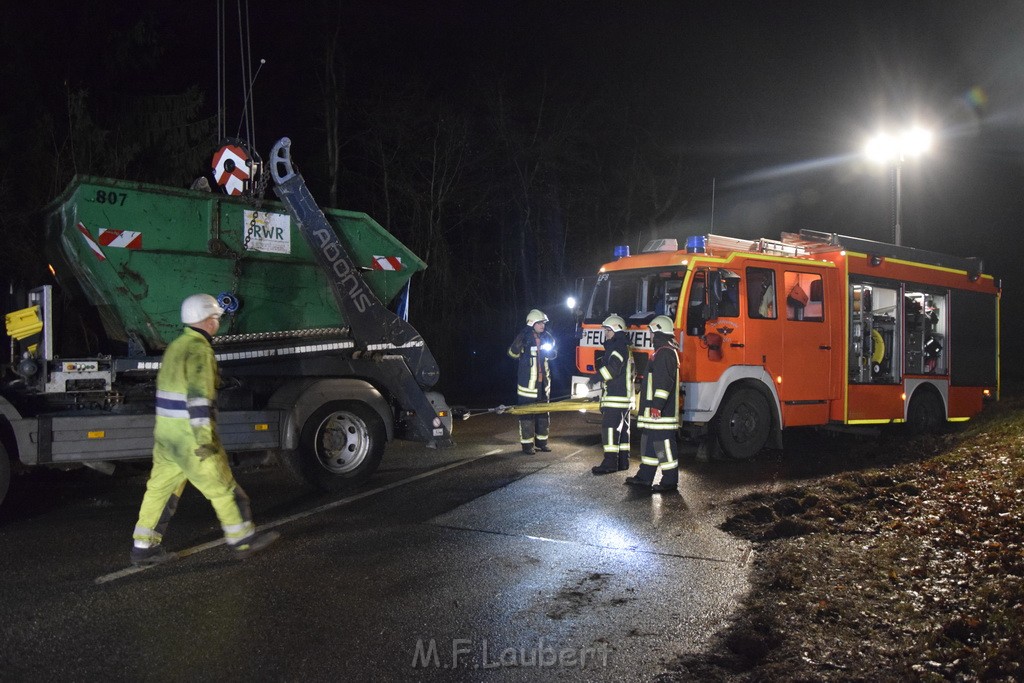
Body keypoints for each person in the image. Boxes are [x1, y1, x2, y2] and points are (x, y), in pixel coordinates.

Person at [129, 293, 280, 566]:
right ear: (207, 321)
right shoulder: (200, 351)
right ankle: (242, 540)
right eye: (215, 319)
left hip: (166, 439)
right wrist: (205, 441)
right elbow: (199, 401)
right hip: (191, 441)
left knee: (160, 491)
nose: (217, 323)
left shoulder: (175, 347)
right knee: (224, 490)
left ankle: (143, 548)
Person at [624, 314, 680, 492]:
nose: (650, 335)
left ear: (658, 332)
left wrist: (657, 405)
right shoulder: (662, 352)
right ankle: (644, 477)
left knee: (662, 447)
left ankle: (669, 481)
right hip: (655, 413)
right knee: (649, 444)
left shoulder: (665, 353)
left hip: (660, 414)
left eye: (651, 332)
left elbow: (664, 383)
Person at [507, 308, 557, 454]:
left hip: (543, 384)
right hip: (527, 385)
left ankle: (542, 442)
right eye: (540, 323)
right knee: (527, 414)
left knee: (543, 413)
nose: (543, 325)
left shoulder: (547, 337)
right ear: (532, 323)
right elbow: (512, 354)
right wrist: (518, 345)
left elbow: (554, 353)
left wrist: (552, 352)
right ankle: (527, 445)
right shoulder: (523, 337)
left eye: (543, 323)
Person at [592, 315, 634, 475]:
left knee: (609, 428)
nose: (605, 333)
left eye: (608, 330)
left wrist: (595, 377)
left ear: (616, 330)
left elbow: (613, 369)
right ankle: (623, 461)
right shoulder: (625, 347)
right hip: (625, 398)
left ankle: (609, 463)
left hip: (616, 397)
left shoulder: (617, 348)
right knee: (623, 431)